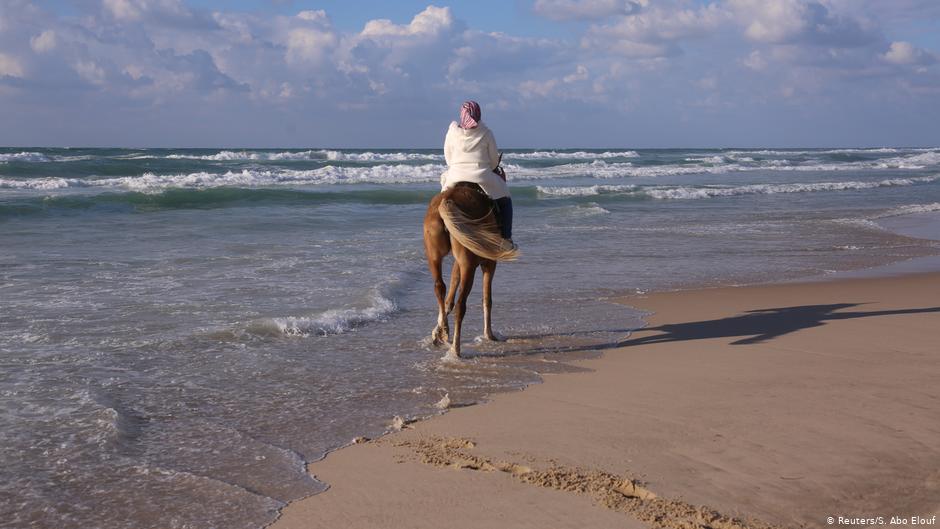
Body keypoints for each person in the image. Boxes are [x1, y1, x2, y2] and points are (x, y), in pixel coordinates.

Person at [440, 100, 515, 249]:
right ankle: (506, 239)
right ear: (479, 114)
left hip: (454, 176)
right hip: (481, 176)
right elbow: (494, 161)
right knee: (506, 199)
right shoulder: (486, 133)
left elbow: (448, 158)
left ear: (461, 115)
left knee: (441, 201)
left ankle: (442, 230)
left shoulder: (452, 132)